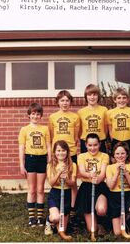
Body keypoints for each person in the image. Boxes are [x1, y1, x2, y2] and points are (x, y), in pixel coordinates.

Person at [48, 90, 80, 225]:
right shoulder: (52, 117)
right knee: (57, 179)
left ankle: (71, 208)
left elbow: (76, 136)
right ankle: (55, 207)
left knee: (72, 182)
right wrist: (53, 154)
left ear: (70, 102)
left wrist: (70, 150)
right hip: (58, 153)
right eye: (62, 100)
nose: (65, 103)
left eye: (67, 100)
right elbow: (51, 135)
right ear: (58, 102)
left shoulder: (75, 117)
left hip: (70, 152)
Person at [18, 102, 51, 227]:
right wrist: (22, 165)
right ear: (29, 115)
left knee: (41, 189)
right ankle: (32, 217)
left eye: (38, 114)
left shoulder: (45, 129)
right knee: (31, 189)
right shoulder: (24, 130)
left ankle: (40, 217)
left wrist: (50, 159)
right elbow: (21, 148)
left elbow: (48, 146)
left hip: (42, 159)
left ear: (41, 115)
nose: (35, 116)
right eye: (33, 114)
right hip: (30, 159)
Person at [75, 133, 110, 235]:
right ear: (86, 145)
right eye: (90, 145)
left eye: (95, 145)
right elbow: (81, 172)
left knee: (101, 210)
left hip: (99, 186)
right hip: (86, 187)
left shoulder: (104, 156)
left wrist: (97, 179)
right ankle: (91, 221)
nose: (92, 148)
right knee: (92, 230)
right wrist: (89, 175)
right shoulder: (81, 156)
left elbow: (103, 174)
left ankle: (102, 221)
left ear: (99, 144)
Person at [106, 142, 130, 236]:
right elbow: (110, 186)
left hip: (127, 195)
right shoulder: (110, 168)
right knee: (118, 233)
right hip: (115, 197)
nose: (120, 156)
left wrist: (126, 173)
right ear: (114, 155)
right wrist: (117, 173)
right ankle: (121, 220)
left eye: (122, 153)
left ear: (127, 154)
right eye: (117, 153)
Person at [45, 140, 77, 235]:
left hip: (67, 194)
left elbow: (72, 183)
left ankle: (58, 223)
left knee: (62, 229)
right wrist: (59, 173)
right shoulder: (50, 165)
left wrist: (66, 179)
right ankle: (49, 221)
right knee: (56, 218)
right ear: (54, 152)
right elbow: (51, 183)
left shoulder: (72, 165)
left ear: (67, 152)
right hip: (55, 194)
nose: (61, 153)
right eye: (58, 151)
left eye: (63, 150)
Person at [106, 87, 130, 161]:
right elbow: (110, 130)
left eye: (124, 98)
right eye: (119, 98)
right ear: (115, 100)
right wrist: (114, 141)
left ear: (127, 99)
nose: (121, 100)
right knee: (115, 162)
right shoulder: (109, 112)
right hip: (116, 140)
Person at [78, 84, 108, 154]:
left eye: (94, 95)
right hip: (86, 143)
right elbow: (79, 131)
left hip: (100, 142)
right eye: (89, 95)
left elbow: (106, 129)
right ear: (86, 96)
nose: (92, 97)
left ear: (98, 96)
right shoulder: (81, 112)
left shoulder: (104, 110)